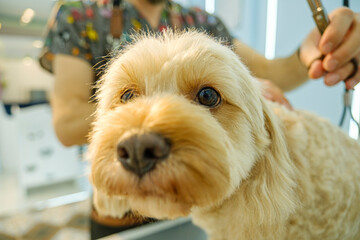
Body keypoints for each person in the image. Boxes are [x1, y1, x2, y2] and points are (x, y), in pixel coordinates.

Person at [39, 0, 360, 238]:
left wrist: (313, 51)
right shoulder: (79, 15)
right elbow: (66, 122)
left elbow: (269, 76)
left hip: (219, 201)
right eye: (127, 95)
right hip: (125, 208)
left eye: (206, 97)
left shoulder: (202, 20)